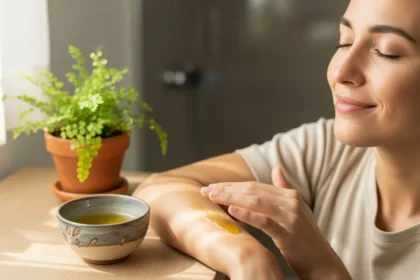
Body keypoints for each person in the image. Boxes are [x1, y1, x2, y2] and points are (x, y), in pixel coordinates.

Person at [133, 0, 420, 279]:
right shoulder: (330, 151)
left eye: (387, 52)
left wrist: (320, 269)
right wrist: (247, 257)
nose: (340, 72)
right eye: (344, 41)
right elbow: (160, 190)